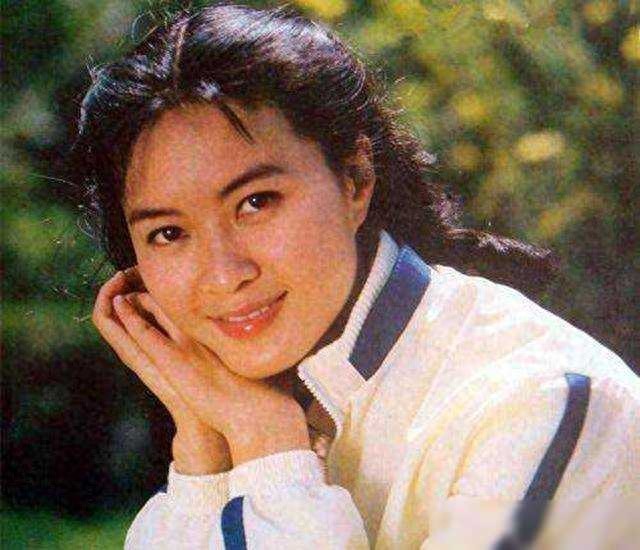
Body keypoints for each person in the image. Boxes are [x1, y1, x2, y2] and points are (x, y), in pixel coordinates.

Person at [73, 3, 639, 548]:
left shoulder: (541, 405)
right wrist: (205, 451)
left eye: (256, 202)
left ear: (355, 180)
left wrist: (268, 448)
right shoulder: (248, 408)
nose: (223, 276)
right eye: (169, 233)